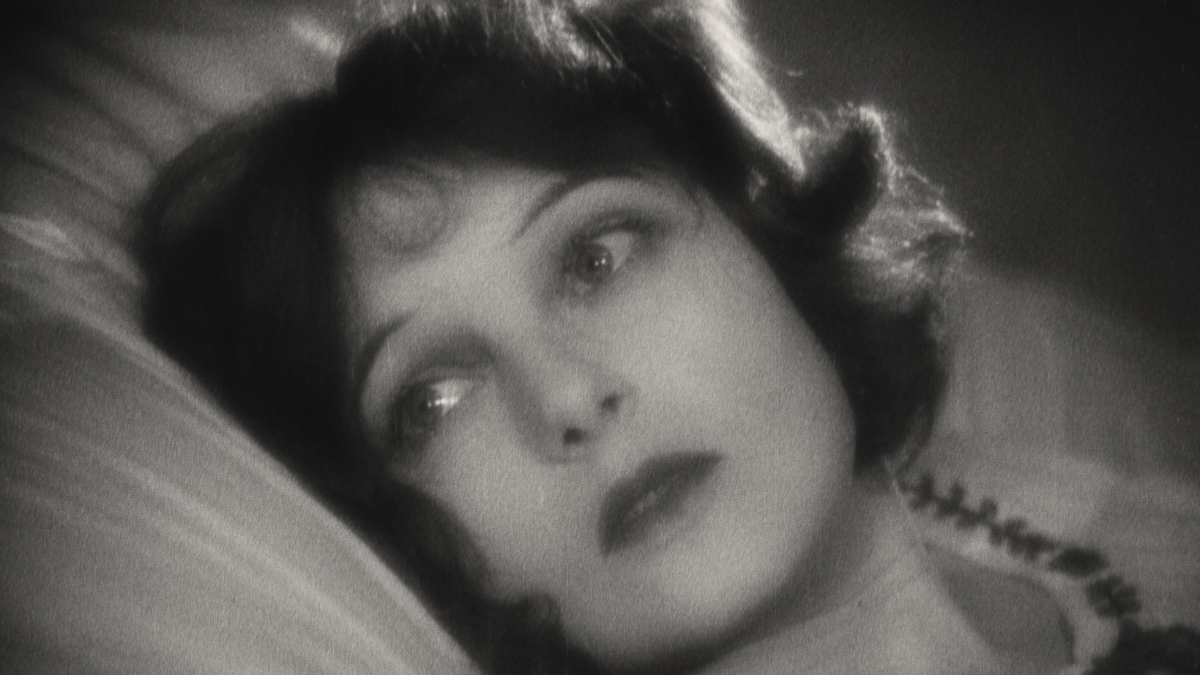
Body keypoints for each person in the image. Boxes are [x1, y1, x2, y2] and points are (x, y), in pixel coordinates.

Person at [136, 1, 1200, 673]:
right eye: (432, 399)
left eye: (597, 257)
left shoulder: (1080, 499)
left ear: (757, 225)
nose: (565, 400)